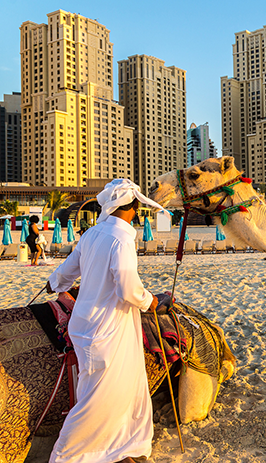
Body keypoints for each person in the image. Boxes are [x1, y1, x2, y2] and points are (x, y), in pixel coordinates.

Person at [45, 179, 167, 463]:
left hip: (84, 322)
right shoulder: (121, 239)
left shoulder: (91, 235)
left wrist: (54, 282)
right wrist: (150, 301)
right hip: (109, 324)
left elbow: (66, 271)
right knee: (100, 396)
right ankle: (67, 454)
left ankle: (119, 445)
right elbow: (127, 288)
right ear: (133, 208)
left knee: (108, 386)